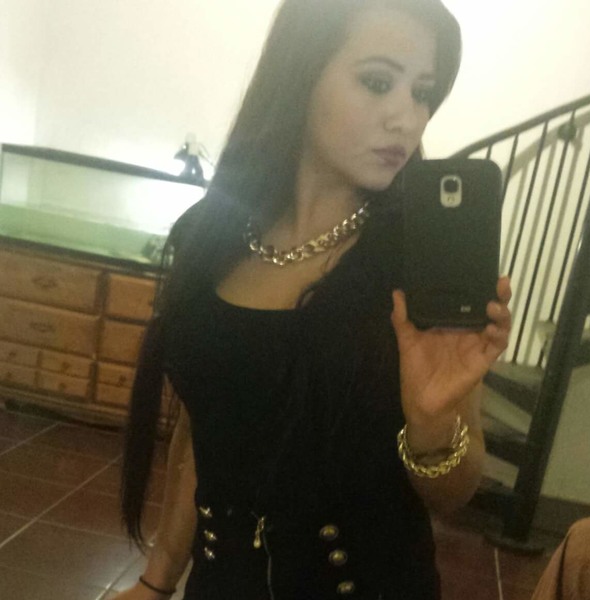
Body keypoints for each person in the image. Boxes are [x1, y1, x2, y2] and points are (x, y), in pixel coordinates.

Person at [116, 0, 513, 598]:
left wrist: (432, 426)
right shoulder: (209, 235)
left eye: (423, 93)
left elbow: (453, 495)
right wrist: (157, 581)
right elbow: (204, 427)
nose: (406, 118)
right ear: (301, 70)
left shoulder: (420, 263)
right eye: (377, 82)